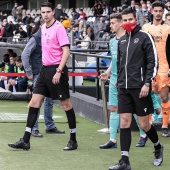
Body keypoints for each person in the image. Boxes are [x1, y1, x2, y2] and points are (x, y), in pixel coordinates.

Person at [8, 2, 78, 151]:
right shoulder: (42, 27)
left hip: (57, 70)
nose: (45, 15)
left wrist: (59, 71)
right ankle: (25, 140)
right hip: (44, 70)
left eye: (48, 12)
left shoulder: (59, 28)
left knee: (66, 105)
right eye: (43, 12)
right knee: (34, 103)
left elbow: (66, 51)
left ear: (53, 12)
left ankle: (73, 139)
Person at [108, 8, 163, 170]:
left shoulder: (145, 37)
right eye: (125, 20)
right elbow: (119, 63)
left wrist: (147, 83)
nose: (127, 23)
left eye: (130, 19)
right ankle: (124, 161)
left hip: (140, 88)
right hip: (123, 89)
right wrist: (118, 80)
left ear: (136, 19)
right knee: (124, 122)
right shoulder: (122, 41)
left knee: (144, 124)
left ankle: (158, 146)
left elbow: (153, 62)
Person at [99, 13, 149, 150]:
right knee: (114, 108)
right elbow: (115, 60)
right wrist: (108, 72)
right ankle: (113, 140)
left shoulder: (131, 40)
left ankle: (143, 135)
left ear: (121, 23)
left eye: (113, 23)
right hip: (116, 79)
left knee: (134, 111)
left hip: (129, 80)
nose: (111, 25)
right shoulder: (113, 41)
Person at [21, 27, 65, 137]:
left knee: (49, 101)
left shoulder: (48, 37)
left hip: (50, 72)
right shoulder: (36, 38)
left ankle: (49, 125)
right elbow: (24, 54)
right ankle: (34, 128)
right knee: (37, 102)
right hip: (39, 74)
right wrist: (29, 72)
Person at [142, 1, 170, 138]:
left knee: (164, 96)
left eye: (160, 11)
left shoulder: (167, 28)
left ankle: (165, 126)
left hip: (164, 66)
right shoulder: (145, 28)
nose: (158, 13)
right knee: (147, 96)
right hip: (149, 66)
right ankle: (149, 126)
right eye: (156, 11)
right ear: (152, 11)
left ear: (163, 12)